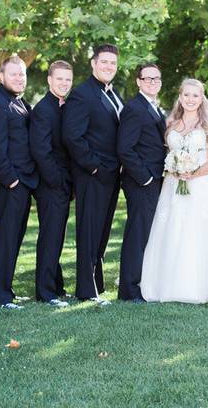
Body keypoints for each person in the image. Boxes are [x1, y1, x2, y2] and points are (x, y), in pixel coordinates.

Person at [141, 78, 208, 303]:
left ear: (201, 99)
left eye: (195, 96)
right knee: (172, 229)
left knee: (198, 232)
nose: (190, 99)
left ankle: (199, 286)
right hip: (173, 186)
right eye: (186, 95)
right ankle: (168, 285)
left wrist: (194, 172)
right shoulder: (170, 123)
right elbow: (167, 154)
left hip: (202, 185)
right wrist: (175, 168)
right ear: (180, 97)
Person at [63, 44, 124, 304]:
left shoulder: (113, 93)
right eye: (104, 62)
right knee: (89, 232)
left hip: (112, 176)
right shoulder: (82, 94)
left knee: (101, 232)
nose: (109, 66)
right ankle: (86, 290)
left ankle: (97, 283)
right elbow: (72, 136)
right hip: (93, 175)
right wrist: (95, 166)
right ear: (93, 63)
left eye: (113, 63)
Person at [0, 55, 38, 309]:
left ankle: (6, 290)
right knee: (6, 238)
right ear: (1, 76)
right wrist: (12, 181)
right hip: (10, 184)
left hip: (22, 182)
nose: (19, 78)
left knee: (14, 238)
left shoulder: (18, 102)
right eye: (14, 74)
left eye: (22, 74)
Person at [116, 63, 166, 302]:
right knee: (137, 234)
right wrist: (145, 177)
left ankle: (144, 284)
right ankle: (129, 290)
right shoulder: (134, 108)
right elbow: (124, 148)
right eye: (147, 79)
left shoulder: (155, 107)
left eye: (156, 79)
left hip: (156, 180)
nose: (152, 82)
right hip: (141, 182)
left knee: (148, 233)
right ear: (138, 82)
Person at [29, 60, 74, 307]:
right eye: (60, 79)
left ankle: (55, 286)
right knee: (49, 236)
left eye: (68, 79)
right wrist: (57, 181)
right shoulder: (43, 110)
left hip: (61, 184)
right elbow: (40, 150)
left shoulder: (62, 107)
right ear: (49, 80)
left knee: (56, 236)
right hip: (50, 185)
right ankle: (45, 292)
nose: (64, 83)